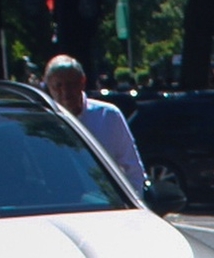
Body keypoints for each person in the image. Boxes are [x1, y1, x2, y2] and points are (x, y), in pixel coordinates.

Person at [42, 55, 147, 194]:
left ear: (82, 82)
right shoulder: (42, 123)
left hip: (107, 205)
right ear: (48, 87)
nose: (65, 92)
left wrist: (131, 207)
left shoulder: (108, 116)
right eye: (58, 86)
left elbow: (133, 171)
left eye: (71, 84)